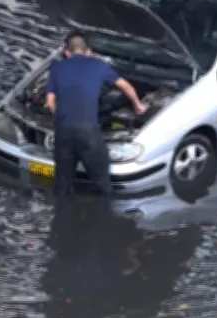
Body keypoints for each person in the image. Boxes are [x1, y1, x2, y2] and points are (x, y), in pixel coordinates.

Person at [44, 32, 147, 199]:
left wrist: (62, 117)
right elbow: (126, 86)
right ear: (88, 51)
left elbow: (50, 102)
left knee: (62, 183)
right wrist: (138, 105)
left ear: (67, 53)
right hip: (88, 133)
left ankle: (62, 217)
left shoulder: (57, 68)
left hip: (63, 132)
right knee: (101, 180)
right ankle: (105, 216)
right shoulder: (98, 66)